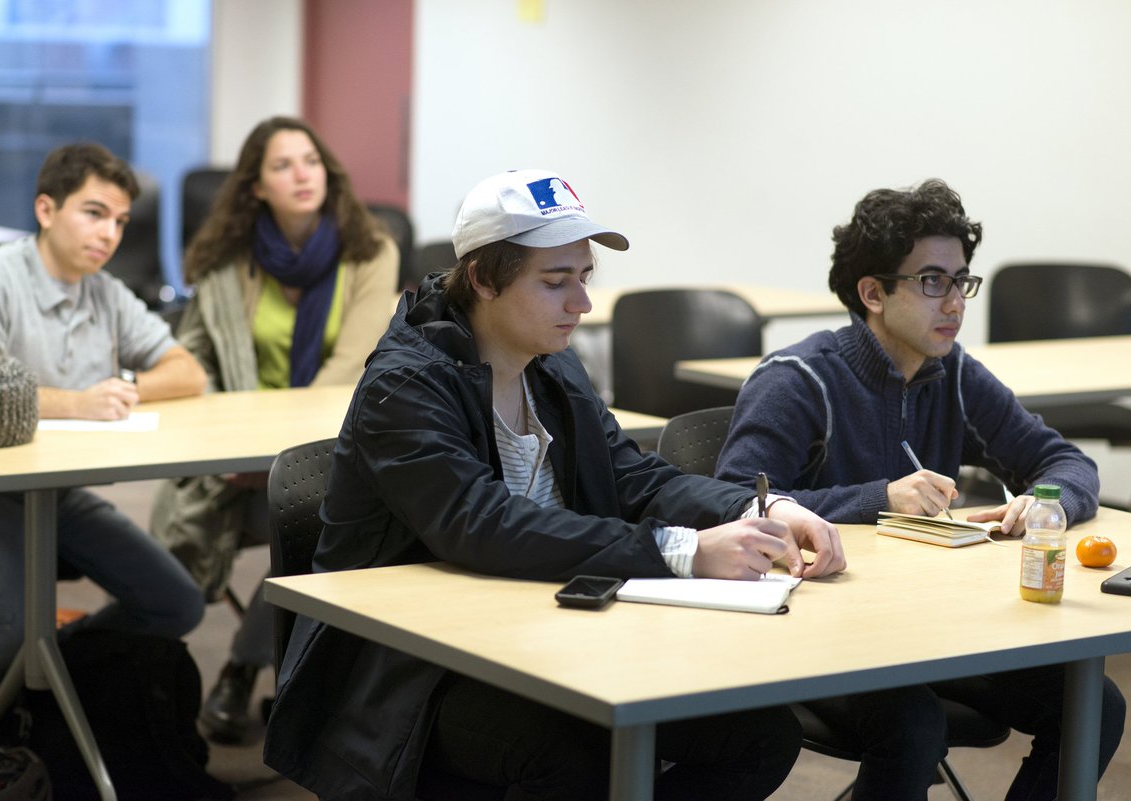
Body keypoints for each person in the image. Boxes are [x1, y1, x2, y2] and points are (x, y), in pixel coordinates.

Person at [263, 168, 847, 800]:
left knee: (760, 736)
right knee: (576, 759)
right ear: (482, 279)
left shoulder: (551, 364)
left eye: (584, 277)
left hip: (547, 630)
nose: (582, 303)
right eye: (554, 281)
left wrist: (764, 507)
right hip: (414, 670)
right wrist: (683, 551)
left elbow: (632, 477)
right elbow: (483, 526)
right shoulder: (405, 385)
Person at [715, 178, 1125, 800]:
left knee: (1094, 704)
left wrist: (1044, 504)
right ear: (873, 293)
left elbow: (1062, 460)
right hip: (817, 633)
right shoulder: (799, 379)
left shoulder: (950, 372)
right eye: (933, 281)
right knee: (912, 727)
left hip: (929, 630)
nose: (955, 302)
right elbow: (735, 502)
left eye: (961, 281)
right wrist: (879, 497)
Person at [0, 142, 207, 757]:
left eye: (120, 221)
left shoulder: (103, 291)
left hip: (54, 492)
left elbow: (187, 371)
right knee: (12, 613)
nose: (109, 234)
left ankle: (45, 673)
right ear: (46, 210)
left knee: (175, 603)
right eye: (94, 213)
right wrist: (77, 402)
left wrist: (127, 385)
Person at [149, 116, 399, 744]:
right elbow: (194, 361)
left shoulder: (371, 251)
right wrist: (225, 447)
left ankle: (242, 666)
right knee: (169, 542)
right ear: (256, 186)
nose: (301, 175)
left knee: (316, 520)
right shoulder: (225, 262)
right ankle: (150, 687)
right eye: (282, 165)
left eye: (310, 161)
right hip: (233, 460)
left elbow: (353, 368)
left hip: (326, 454)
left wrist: (278, 460)